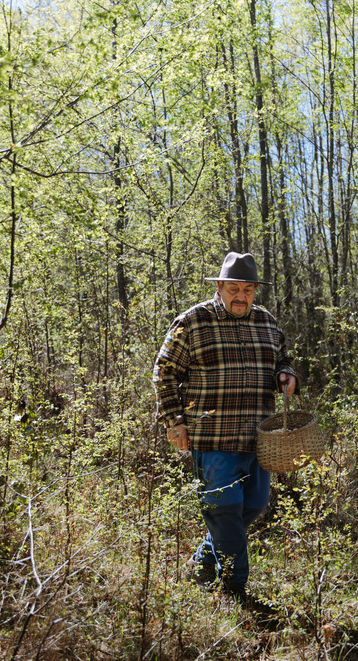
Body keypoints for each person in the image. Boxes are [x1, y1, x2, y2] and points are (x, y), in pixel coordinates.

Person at [153, 252, 298, 603]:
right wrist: (175, 421)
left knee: (255, 505)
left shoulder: (267, 322)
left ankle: (200, 566)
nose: (241, 296)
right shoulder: (193, 322)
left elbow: (283, 358)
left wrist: (287, 374)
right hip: (213, 437)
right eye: (234, 288)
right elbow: (164, 373)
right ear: (219, 286)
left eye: (248, 289)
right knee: (224, 509)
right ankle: (235, 588)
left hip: (259, 438)